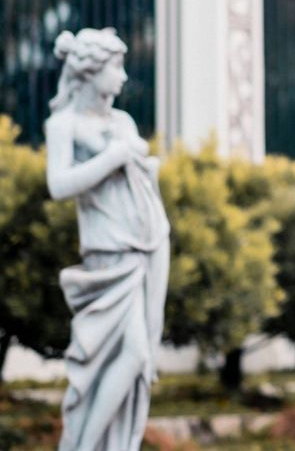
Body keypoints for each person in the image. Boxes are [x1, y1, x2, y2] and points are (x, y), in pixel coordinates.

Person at [44, 28, 170, 451]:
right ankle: (84, 445)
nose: (123, 77)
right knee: (127, 355)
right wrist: (113, 157)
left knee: (139, 360)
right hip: (106, 258)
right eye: (116, 66)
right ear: (91, 69)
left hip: (144, 249)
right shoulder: (63, 124)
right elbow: (59, 185)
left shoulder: (123, 122)